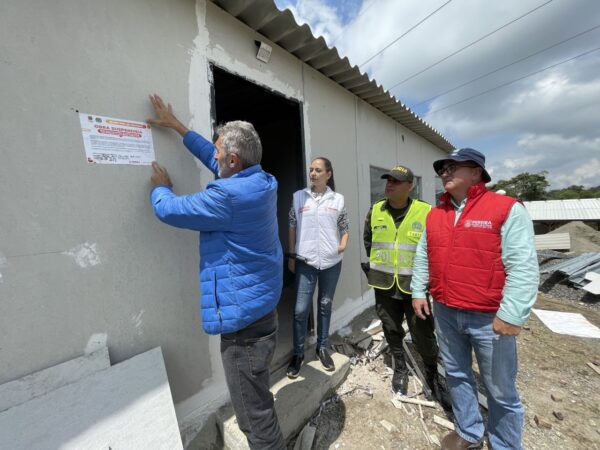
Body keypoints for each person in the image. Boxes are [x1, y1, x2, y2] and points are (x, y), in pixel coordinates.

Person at [146, 94, 285, 450]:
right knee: (255, 397)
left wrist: (159, 187)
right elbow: (214, 158)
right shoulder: (262, 180)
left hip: (243, 329)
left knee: (255, 415)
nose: (216, 154)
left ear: (234, 161)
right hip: (261, 310)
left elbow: (171, 211)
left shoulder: (227, 197)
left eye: (221, 150)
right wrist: (177, 126)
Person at [411, 148, 539, 450]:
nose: (445, 173)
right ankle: (469, 431)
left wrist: (512, 314)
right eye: (442, 169)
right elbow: (422, 256)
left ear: (476, 172)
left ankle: (505, 443)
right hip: (445, 311)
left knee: (500, 388)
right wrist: (419, 290)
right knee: (456, 373)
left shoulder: (505, 208)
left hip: (488, 317)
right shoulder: (435, 213)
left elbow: (523, 266)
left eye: (452, 167)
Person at [363, 165, 440, 397]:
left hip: (414, 287)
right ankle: (400, 367)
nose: (390, 184)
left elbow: (435, 249)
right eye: (388, 180)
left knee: (423, 332)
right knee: (391, 329)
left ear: (410, 186)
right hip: (384, 284)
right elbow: (369, 242)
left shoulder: (426, 212)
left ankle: (432, 371)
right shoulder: (375, 210)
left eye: (396, 181)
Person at [286, 157, 349, 378]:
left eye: (318, 170)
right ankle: (298, 353)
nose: (313, 173)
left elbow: (344, 225)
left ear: (328, 174)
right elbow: (292, 226)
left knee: (324, 305)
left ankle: (322, 347)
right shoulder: (298, 197)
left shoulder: (338, 199)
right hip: (305, 260)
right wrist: (292, 255)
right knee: (300, 310)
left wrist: (343, 243)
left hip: (331, 262)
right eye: (311, 170)